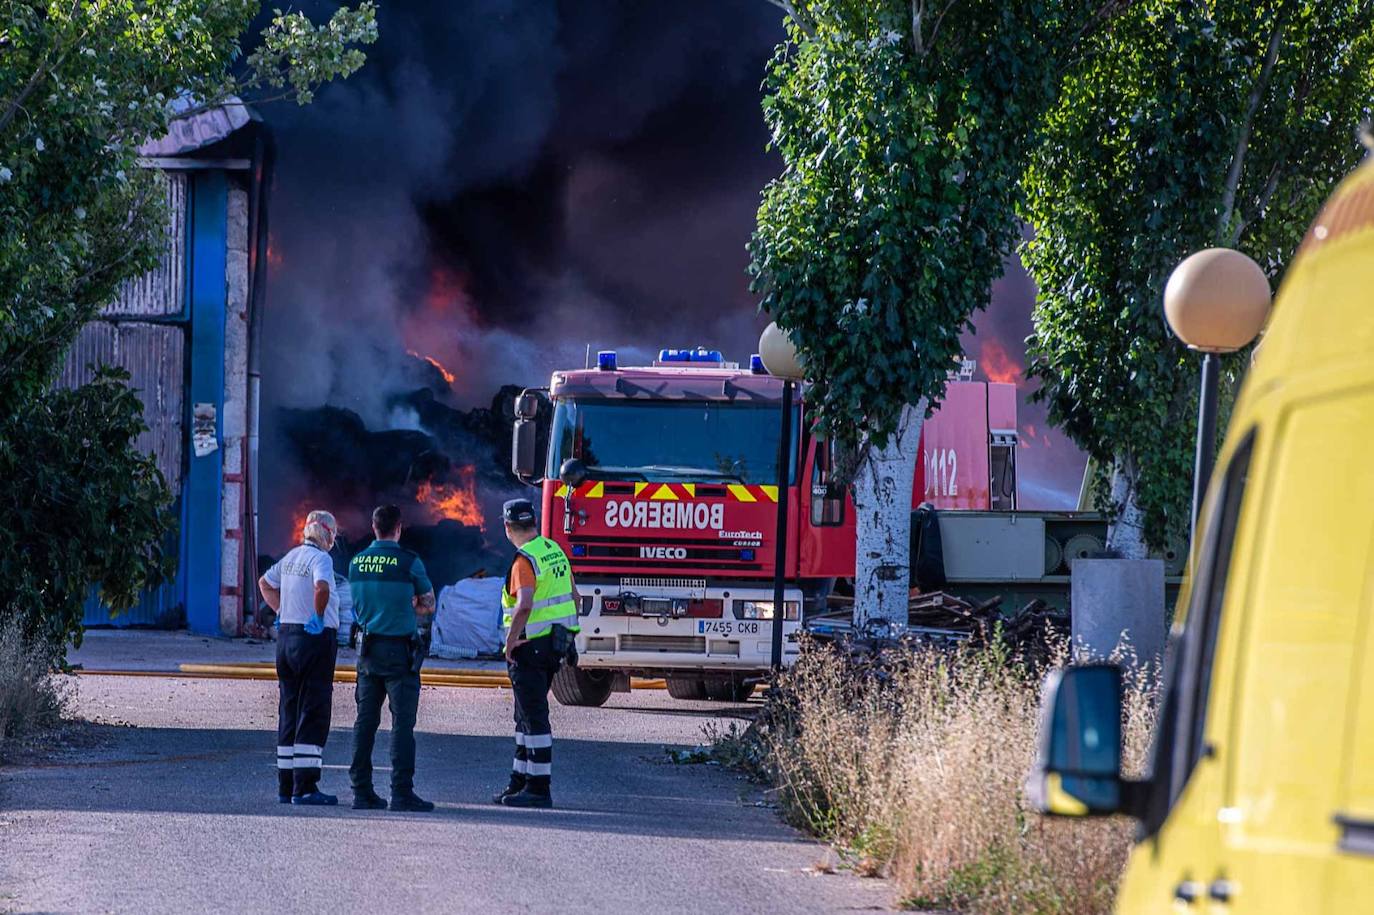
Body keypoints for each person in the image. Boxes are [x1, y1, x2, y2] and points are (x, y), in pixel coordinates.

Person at [347, 504, 437, 813]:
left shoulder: (356, 563)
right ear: (398, 528)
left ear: (374, 528)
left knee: (365, 723)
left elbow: (358, 606)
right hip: (399, 653)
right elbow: (428, 604)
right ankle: (401, 792)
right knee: (402, 725)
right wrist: (407, 605)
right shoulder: (409, 562)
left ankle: (361, 791)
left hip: (367, 652)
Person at [495, 498, 580, 809]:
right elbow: (575, 595)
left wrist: (510, 641)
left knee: (533, 718)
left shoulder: (524, 561)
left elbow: (525, 604)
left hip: (528, 648)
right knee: (524, 717)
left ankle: (539, 787)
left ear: (507, 528)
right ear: (533, 522)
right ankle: (519, 781)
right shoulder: (553, 550)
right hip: (555, 646)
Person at [258, 509, 341, 806]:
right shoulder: (321, 559)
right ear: (329, 534)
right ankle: (305, 787)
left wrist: (281, 610)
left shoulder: (290, 557)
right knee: (314, 709)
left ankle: (285, 785)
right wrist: (318, 616)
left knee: (289, 709)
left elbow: (264, 583)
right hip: (314, 640)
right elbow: (322, 588)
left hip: (287, 640)